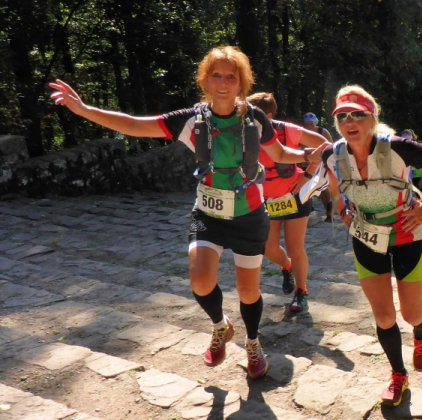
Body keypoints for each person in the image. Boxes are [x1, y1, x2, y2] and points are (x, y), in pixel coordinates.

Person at [49, 46, 328, 379]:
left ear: (241, 83)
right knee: (200, 280)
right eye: (216, 75)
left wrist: (307, 155)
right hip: (208, 213)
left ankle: (253, 343)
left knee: (248, 291)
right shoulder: (191, 120)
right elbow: (135, 125)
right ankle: (221, 326)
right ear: (204, 80)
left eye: (231, 76)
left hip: (249, 214)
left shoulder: (254, 117)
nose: (223, 82)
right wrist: (84, 110)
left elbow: (279, 153)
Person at [322, 85, 422, 407]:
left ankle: (421, 332)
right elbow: (332, 177)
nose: (350, 122)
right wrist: (341, 209)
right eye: (342, 116)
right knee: (383, 316)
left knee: (411, 313)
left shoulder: (397, 147)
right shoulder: (333, 153)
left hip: (406, 233)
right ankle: (398, 375)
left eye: (358, 114)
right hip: (366, 235)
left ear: (373, 118)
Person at [248, 93, 328, 313]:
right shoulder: (244, 133)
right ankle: (287, 266)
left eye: (252, 114)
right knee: (268, 248)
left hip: (295, 195)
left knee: (295, 246)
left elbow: (326, 145)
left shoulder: (287, 129)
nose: (247, 118)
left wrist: (308, 174)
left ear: (268, 115)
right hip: (266, 199)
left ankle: (301, 291)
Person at [303, 112, 334, 222]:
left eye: (311, 124)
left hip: (322, 161)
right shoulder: (302, 132)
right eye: (307, 124)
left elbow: (331, 147)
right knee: (304, 185)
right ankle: (307, 209)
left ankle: (329, 212)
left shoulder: (322, 132)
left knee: (323, 187)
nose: (309, 126)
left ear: (315, 123)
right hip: (307, 162)